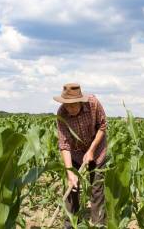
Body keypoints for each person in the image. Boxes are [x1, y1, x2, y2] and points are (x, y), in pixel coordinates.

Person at [53, 83, 107, 228]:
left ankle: (98, 224)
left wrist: (91, 150)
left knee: (96, 187)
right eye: (66, 105)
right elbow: (64, 145)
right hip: (75, 153)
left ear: (80, 101)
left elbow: (102, 126)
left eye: (72, 105)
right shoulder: (62, 114)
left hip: (96, 150)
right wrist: (70, 172)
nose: (69, 109)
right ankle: (71, 223)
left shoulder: (93, 104)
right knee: (72, 187)